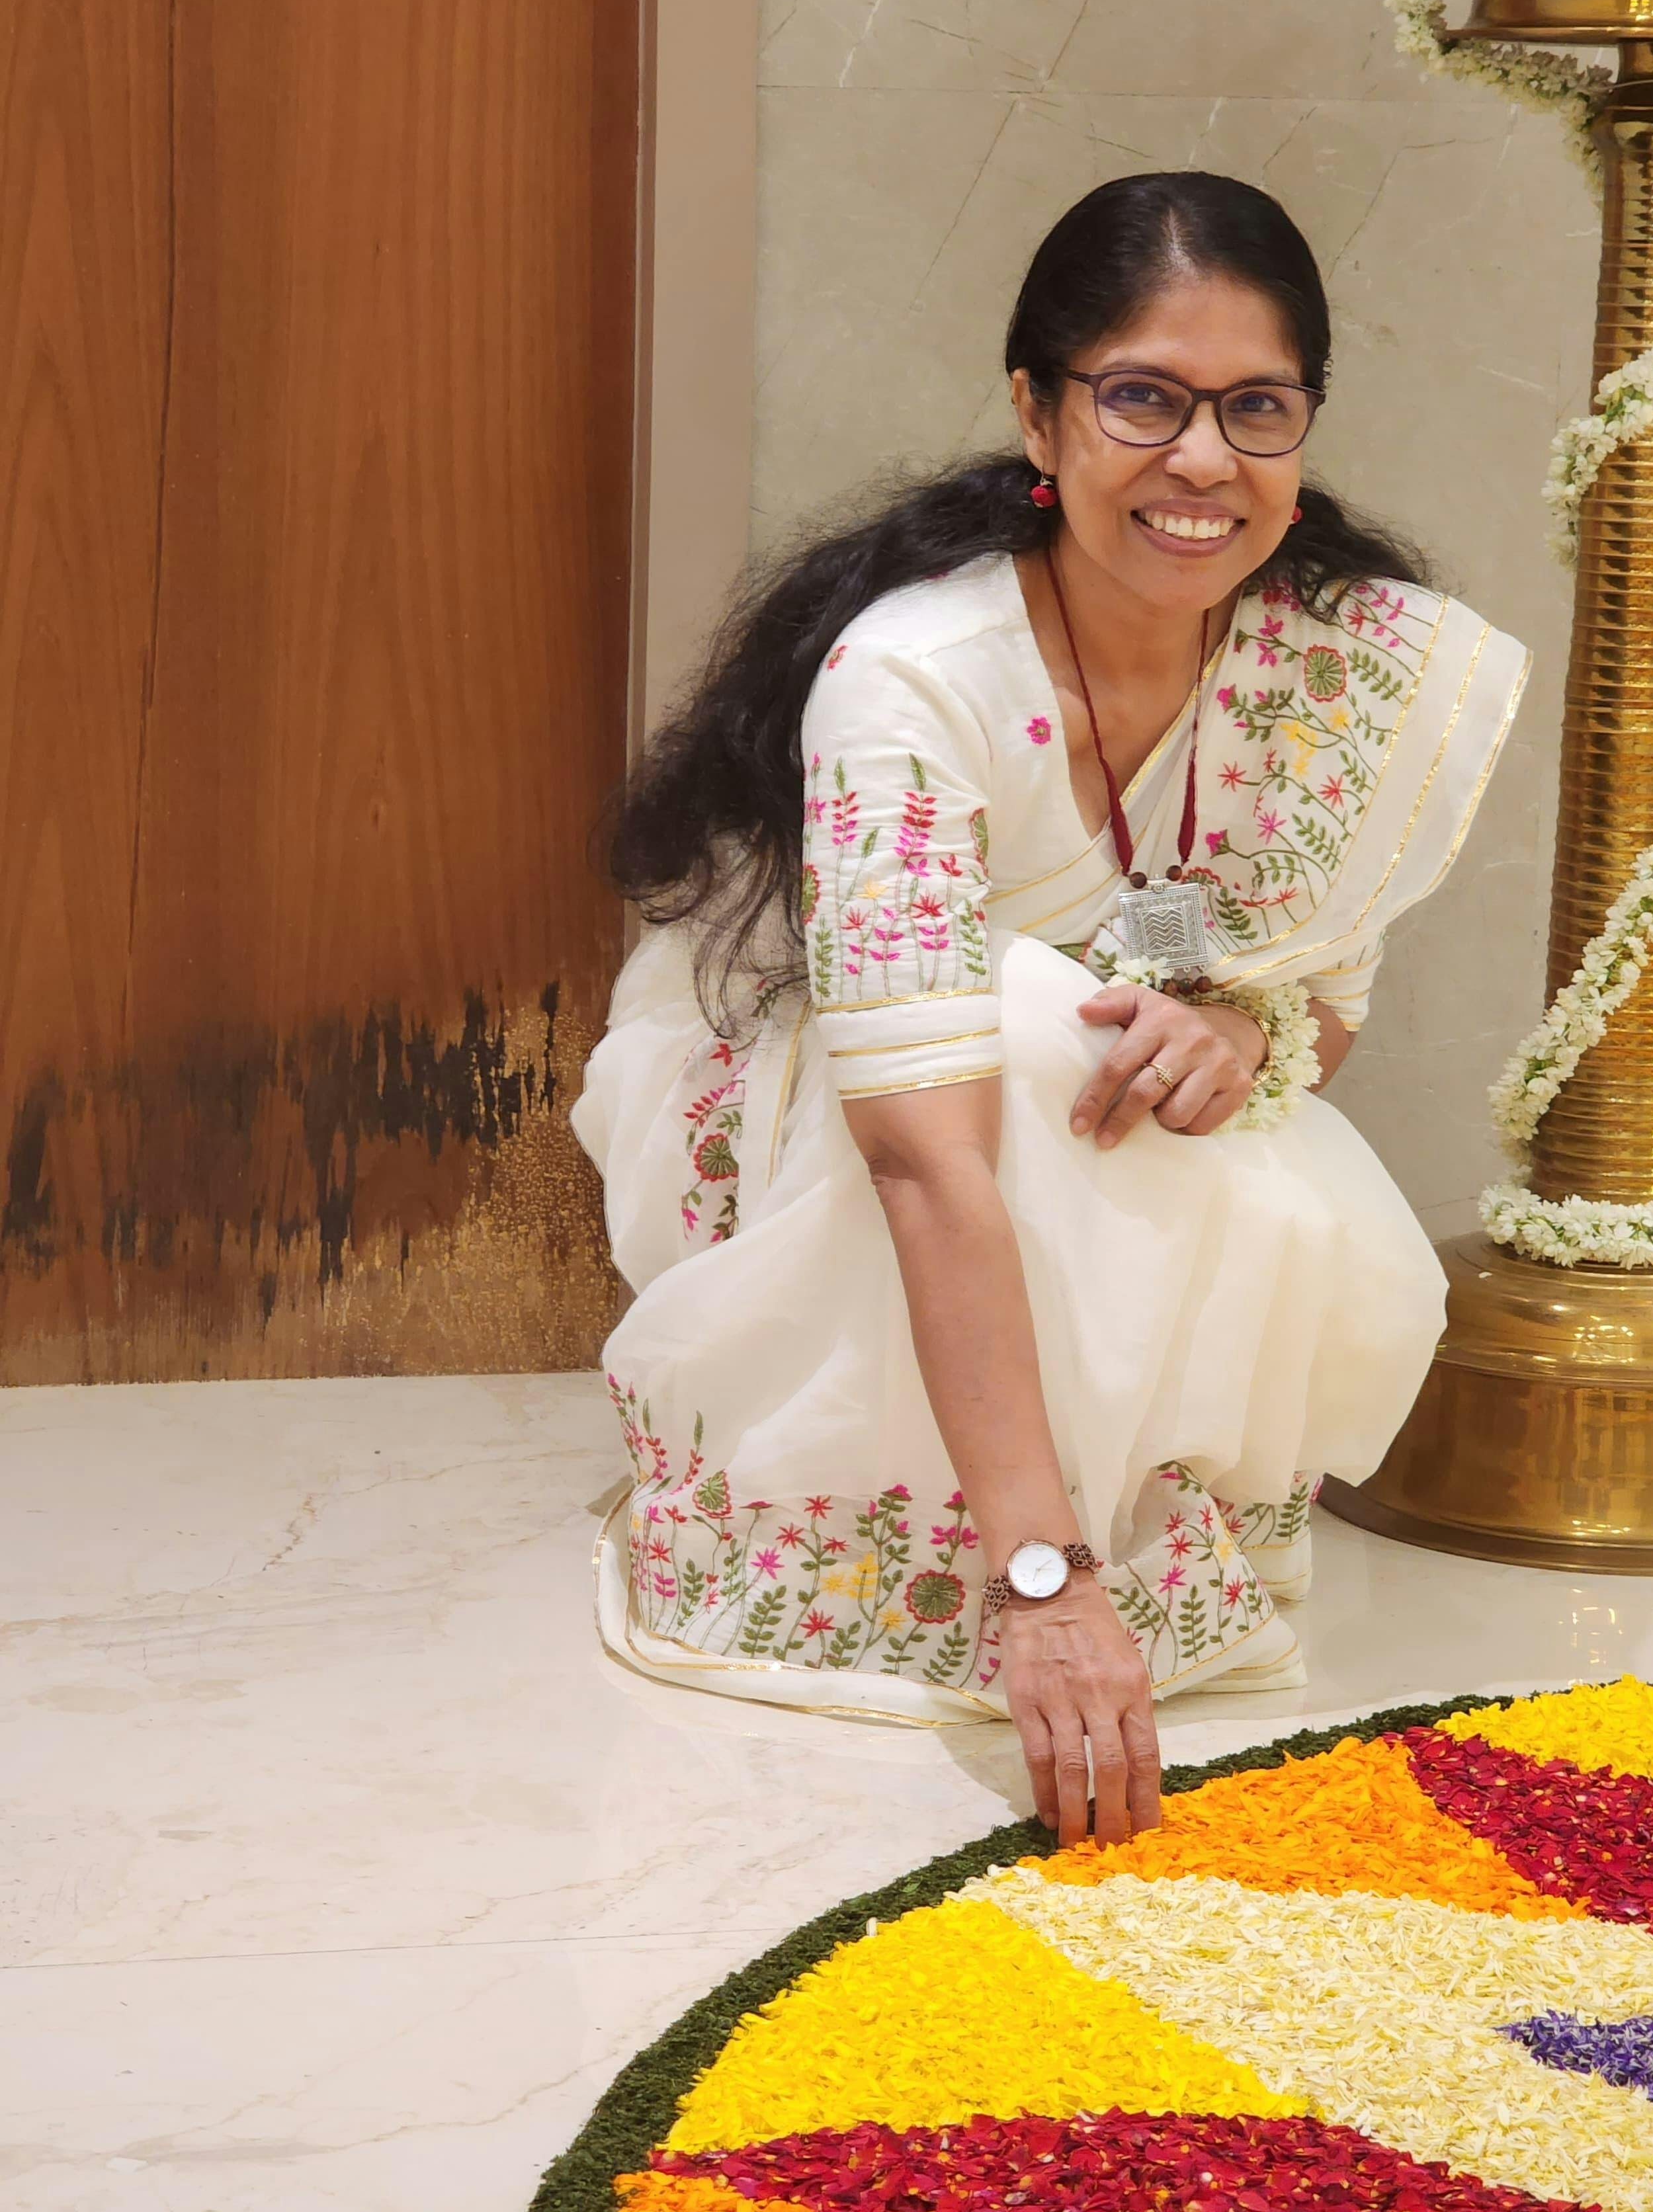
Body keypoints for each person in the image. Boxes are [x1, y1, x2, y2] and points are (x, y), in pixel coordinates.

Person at [572, 171, 1530, 1846]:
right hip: (836, 1117)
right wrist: (1041, 1578)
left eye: (1258, 407)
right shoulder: (914, 676)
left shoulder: (1332, 665)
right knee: (1029, 1025)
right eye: (1143, 398)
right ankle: (963, 1532)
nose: (1203, 461)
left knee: (1183, 1093)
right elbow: (924, 1151)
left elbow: (1324, 1005)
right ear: (1038, 409)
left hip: (1068, 1131)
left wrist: (1243, 1034)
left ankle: (1138, 1516)